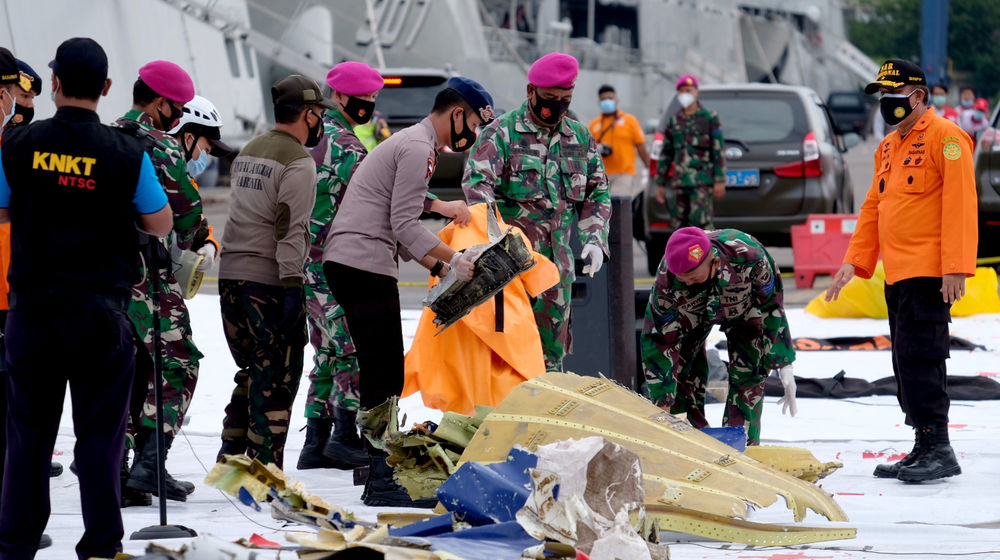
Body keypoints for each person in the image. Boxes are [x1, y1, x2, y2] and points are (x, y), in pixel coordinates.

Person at [0, 37, 172, 560]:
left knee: (27, 439)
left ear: (53, 83)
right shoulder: (127, 151)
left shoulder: (18, 146)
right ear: (106, 87)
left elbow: (4, 211)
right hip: (101, 314)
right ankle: (100, 545)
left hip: (33, 312)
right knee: (100, 440)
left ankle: (16, 546)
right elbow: (161, 222)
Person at [324, 76, 491, 506]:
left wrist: (437, 264)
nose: (472, 133)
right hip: (363, 262)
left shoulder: (412, 144)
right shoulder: (418, 148)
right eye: (472, 122)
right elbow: (403, 224)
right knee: (384, 373)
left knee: (381, 370)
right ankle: (381, 478)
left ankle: (378, 471)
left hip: (353, 260)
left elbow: (402, 214)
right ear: (456, 114)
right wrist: (454, 261)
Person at [826, 58, 977, 483]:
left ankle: (939, 447)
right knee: (905, 359)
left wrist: (955, 268)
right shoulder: (889, 147)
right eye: (882, 96)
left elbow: (961, 206)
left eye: (893, 95)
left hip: (930, 272)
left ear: (919, 97)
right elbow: (874, 208)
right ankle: (923, 443)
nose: (886, 104)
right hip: (897, 274)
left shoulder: (947, 140)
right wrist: (854, 262)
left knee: (924, 357)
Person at [464, 52, 611, 372]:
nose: (556, 105)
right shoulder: (501, 133)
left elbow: (596, 191)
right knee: (502, 355)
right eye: (548, 98)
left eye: (565, 99)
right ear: (530, 91)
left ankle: (544, 418)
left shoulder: (580, 137)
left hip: (556, 269)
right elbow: (477, 185)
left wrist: (595, 237)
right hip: (507, 266)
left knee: (551, 355)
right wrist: (494, 234)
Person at [217, 74, 328, 469]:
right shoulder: (298, 162)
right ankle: (263, 470)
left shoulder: (250, 150)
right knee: (277, 378)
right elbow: (290, 229)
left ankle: (230, 456)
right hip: (268, 281)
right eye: (319, 115)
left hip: (230, 277)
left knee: (252, 370)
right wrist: (293, 288)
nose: (320, 123)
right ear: (309, 114)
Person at [115, 60, 205, 503]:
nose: (179, 114)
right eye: (178, 106)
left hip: (104, 277)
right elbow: (187, 214)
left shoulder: (107, 136)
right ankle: (151, 463)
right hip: (148, 276)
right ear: (160, 102)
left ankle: (118, 468)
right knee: (178, 363)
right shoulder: (162, 146)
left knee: (121, 369)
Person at [640, 227, 796, 446]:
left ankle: (740, 446)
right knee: (682, 375)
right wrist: (662, 400)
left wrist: (783, 362)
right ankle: (689, 444)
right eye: (682, 279)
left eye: (692, 277)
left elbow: (772, 306)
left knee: (749, 372)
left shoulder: (750, 256)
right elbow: (657, 338)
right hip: (691, 314)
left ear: (713, 262)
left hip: (744, 308)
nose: (687, 283)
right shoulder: (668, 278)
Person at [654, 74, 726, 236]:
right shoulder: (674, 121)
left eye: (689, 90)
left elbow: (718, 150)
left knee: (702, 223)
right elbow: (666, 153)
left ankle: (707, 257)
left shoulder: (709, 118)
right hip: (680, 182)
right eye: (682, 91)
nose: (686, 93)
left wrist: (719, 180)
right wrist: (660, 183)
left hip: (702, 181)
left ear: (697, 92)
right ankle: (683, 259)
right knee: (679, 225)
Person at [587, 84, 650, 197]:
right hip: (600, 175)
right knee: (602, 209)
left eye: (610, 98)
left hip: (624, 173)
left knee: (618, 204)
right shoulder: (594, 124)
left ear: (617, 100)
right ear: (599, 102)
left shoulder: (629, 120)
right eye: (603, 99)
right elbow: (587, 150)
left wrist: (649, 167)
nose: (607, 101)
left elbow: (641, 146)